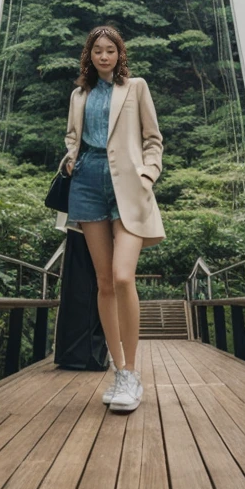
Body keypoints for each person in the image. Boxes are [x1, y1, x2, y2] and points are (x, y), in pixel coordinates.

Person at [55, 25, 165, 412]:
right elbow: (73, 137)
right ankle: (120, 372)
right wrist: (70, 158)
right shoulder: (79, 94)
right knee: (102, 282)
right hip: (86, 185)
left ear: (120, 54)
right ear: (89, 55)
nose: (104, 56)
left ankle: (133, 371)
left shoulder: (135, 87)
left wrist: (148, 174)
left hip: (128, 189)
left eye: (111, 50)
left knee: (122, 276)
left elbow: (153, 139)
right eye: (98, 50)